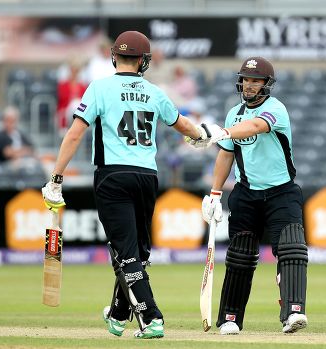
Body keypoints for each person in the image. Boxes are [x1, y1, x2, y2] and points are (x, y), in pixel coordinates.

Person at [41, 30, 216, 339]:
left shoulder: (99, 88)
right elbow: (184, 126)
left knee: (126, 253)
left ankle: (151, 317)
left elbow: (74, 134)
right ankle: (120, 314)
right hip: (147, 176)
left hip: (113, 176)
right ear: (143, 61)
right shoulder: (154, 91)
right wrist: (204, 135)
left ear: (114, 57)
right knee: (138, 251)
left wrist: (56, 178)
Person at [186, 57, 308, 335]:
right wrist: (215, 194)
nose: (249, 85)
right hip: (246, 193)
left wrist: (221, 132)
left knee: (291, 250)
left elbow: (255, 127)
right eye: (246, 79)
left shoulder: (276, 109)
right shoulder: (233, 113)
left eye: (256, 80)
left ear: (267, 84)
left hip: (282, 192)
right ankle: (230, 318)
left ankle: (293, 312)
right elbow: (226, 154)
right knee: (240, 257)